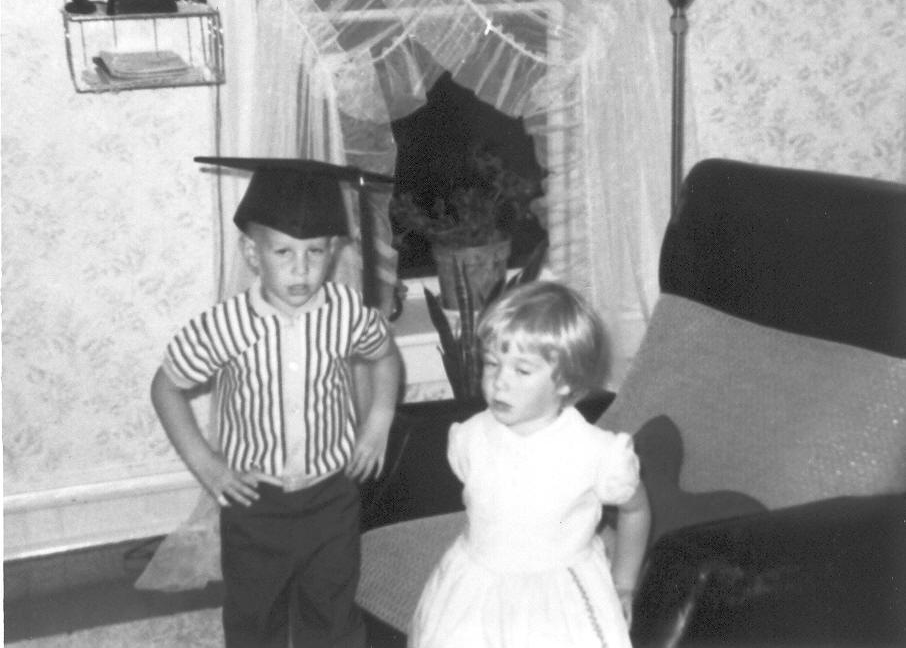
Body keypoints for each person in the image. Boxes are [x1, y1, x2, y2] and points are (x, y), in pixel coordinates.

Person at [151, 158, 402, 648]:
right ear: (252, 252)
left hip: (331, 496)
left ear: (333, 250)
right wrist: (207, 465)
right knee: (254, 614)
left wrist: (379, 421)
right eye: (283, 251)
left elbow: (384, 356)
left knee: (332, 609)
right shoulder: (224, 325)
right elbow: (166, 388)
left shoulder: (347, 313)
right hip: (255, 503)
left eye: (315, 251)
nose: (301, 268)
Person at [410, 281, 650, 648]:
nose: (499, 383)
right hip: (477, 585)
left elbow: (636, 510)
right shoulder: (470, 437)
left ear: (566, 381)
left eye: (522, 371)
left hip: (559, 598)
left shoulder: (597, 452)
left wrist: (624, 582)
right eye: (492, 363)